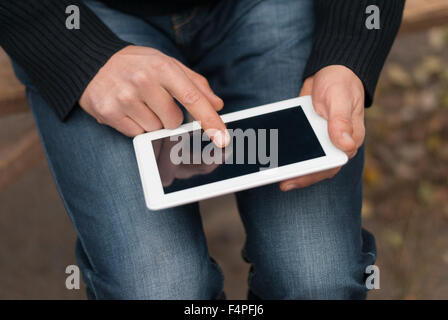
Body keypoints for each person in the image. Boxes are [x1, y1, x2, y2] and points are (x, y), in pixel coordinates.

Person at [0, 0, 404, 299]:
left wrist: (350, 49)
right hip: (86, 17)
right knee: (159, 289)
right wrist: (75, 52)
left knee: (318, 281)